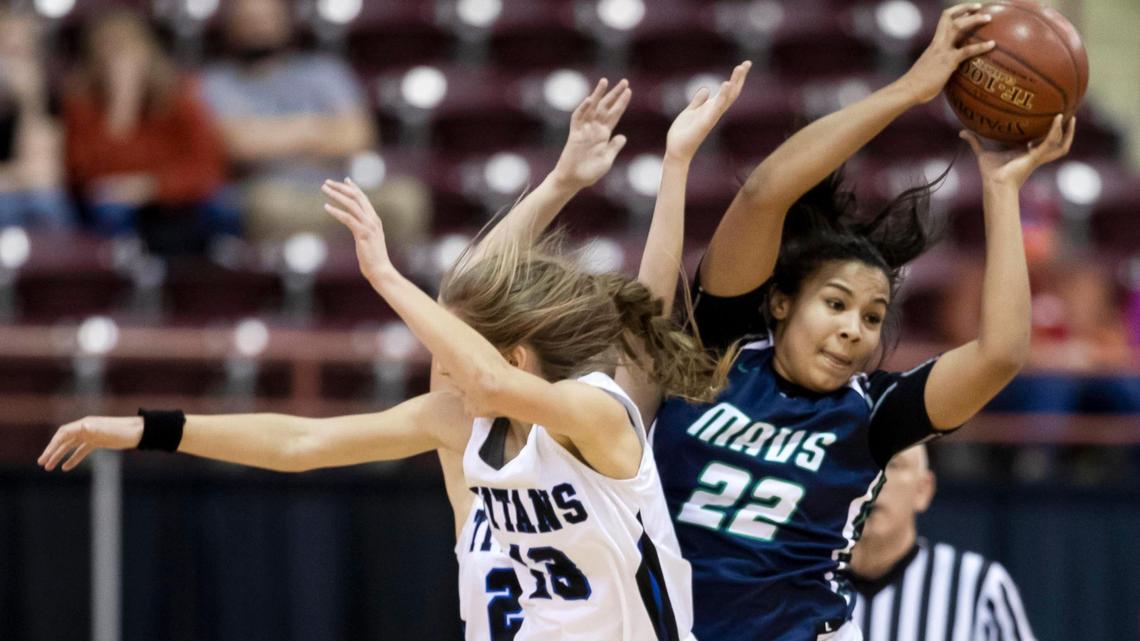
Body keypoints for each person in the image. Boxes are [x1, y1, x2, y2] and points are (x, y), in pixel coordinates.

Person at [39, 62, 752, 641]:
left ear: (516, 356)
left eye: (453, 347)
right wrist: (148, 427)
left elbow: (498, 354)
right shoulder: (459, 425)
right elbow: (296, 442)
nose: (435, 357)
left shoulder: (595, 418)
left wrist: (383, 275)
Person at [649, 5, 1076, 640]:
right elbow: (766, 191)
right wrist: (911, 88)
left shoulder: (871, 414)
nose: (855, 328)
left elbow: (1001, 354)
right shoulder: (720, 350)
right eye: (837, 303)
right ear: (781, 303)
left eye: (874, 316)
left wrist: (1001, 190)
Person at [201, 0, 429, 245]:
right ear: (230, 25)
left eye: (266, 17)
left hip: (338, 189)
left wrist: (273, 136)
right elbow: (236, 145)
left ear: (286, 20)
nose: (258, 26)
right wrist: (315, 130)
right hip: (272, 193)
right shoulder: (213, 83)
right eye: (248, 18)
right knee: (267, 206)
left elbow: (358, 137)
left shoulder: (324, 71)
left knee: (405, 198)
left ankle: (387, 281)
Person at [63, 9, 231, 251]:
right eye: (107, 51)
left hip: (171, 197)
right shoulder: (81, 102)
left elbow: (207, 169)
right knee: (109, 208)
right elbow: (84, 174)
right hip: (117, 203)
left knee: (221, 207)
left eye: (126, 49)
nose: (118, 61)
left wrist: (152, 187)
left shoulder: (180, 98)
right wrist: (121, 108)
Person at [848, 444, 1037, 641]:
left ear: (924, 489)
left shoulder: (980, 585)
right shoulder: (815, 581)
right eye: (856, 462)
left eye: (894, 465)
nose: (873, 480)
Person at [0, 8, 74, 229]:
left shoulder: (50, 93)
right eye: (6, 47)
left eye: (22, 49)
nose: (14, 60)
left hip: (30, 190)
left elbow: (44, 169)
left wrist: (30, 102)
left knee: (45, 201)